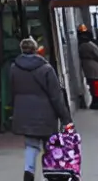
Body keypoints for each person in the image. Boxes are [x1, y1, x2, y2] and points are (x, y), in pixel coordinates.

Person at [9, 37, 72, 181]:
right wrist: (65, 117)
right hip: (46, 114)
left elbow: (12, 92)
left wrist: (14, 111)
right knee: (50, 145)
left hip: (25, 113)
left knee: (31, 145)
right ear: (36, 49)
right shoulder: (46, 68)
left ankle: (28, 171)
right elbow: (56, 96)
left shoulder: (14, 68)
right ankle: (49, 175)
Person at [77, 24, 98, 110]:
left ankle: (94, 103)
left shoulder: (81, 45)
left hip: (88, 68)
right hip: (95, 67)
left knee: (93, 85)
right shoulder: (89, 44)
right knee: (97, 85)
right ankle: (96, 104)